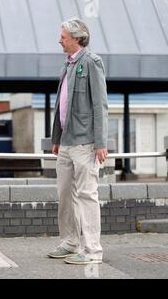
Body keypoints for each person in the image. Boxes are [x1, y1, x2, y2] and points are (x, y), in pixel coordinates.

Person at [48, 18, 108, 265]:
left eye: (63, 36)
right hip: (66, 143)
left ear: (76, 38)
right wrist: (57, 139)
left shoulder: (92, 62)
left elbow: (100, 105)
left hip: (85, 143)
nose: (59, 40)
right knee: (65, 195)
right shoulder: (68, 65)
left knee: (86, 195)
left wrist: (101, 142)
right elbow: (60, 106)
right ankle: (70, 242)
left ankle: (92, 251)